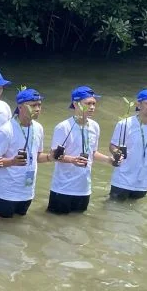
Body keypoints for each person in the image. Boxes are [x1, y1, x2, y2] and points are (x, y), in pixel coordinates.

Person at [47, 86, 112, 215]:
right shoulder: (63, 127)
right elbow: (54, 155)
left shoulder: (95, 126)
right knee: (55, 225)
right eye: (88, 103)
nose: (92, 107)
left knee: (78, 224)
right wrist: (73, 160)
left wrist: (109, 160)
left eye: (94, 103)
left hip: (84, 189)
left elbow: (93, 153)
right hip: (63, 188)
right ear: (76, 104)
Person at [0, 88, 45, 219]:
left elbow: (37, 157)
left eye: (39, 105)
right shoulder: (6, 130)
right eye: (33, 105)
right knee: (2, 228)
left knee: (20, 225)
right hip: (6, 192)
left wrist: (52, 157)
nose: (37, 108)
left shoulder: (38, 128)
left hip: (27, 190)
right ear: (20, 107)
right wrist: (12, 162)